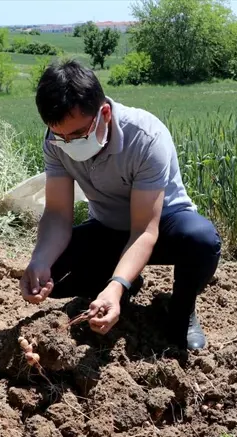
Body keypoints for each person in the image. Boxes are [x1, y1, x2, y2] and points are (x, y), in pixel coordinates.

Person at [20, 59, 221, 350]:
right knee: (55, 272)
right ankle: (124, 284)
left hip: (163, 227)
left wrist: (115, 286)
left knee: (201, 241)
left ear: (103, 113)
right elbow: (57, 213)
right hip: (109, 227)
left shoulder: (145, 137)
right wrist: (39, 261)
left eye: (77, 135)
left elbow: (144, 230)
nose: (68, 143)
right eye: (61, 137)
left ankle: (181, 310)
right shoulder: (56, 140)